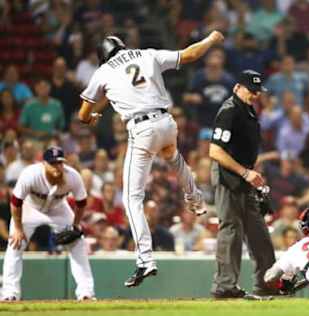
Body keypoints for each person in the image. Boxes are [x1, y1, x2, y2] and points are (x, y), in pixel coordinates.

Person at [78, 32, 224, 287]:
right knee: (173, 156)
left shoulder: (103, 71)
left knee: (131, 198)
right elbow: (189, 54)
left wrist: (91, 118)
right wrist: (211, 39)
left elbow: (83, 113)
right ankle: (196, 200)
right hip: (166, 121)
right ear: (123, 47)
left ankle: (145, 260)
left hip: (141, 128)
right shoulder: (147, 54)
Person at [209, 69, 277, 298]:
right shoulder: (229, 111)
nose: (255, 95)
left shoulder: (247, 109)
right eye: (251, 90)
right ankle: (225, 286)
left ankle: (268, 282)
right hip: (228, 178)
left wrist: (251, 174)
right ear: (237, 87)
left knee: (258, 232)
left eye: (257, 91)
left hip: (244, 177)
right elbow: (215, 151)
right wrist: (245, 173)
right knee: (231, 230)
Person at [1, 146, 95, 301]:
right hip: (29, 209)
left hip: (58, 209)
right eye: (53, 163)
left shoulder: (72, 176)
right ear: (43, 163)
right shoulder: (31, 174)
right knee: (15, 244)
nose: (57, 167)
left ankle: (86, 293)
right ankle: (10, 293)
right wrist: (17, 228)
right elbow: (16, 202)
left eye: (60, 163)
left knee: (78, 243)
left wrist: (76, 225)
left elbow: (81, 202)